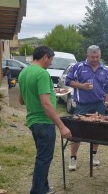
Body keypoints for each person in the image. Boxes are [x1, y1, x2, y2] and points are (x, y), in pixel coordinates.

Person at [18, 45, 72, 194]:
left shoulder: (24, 72)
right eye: (51, 59)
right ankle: (37, 191)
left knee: (43, 156)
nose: (51, 63)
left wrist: (49, 92)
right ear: (44, 57)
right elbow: (46, 104)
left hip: (32, 122)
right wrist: (62, 126)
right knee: (44, 159)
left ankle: (44, 187)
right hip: (44, 122)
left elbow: (22, 100)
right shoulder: (42, 74)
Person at [65, 45, 108, 171]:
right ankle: (73, 158)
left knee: (97, 132)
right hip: (82, 105)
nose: (95, 59)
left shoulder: (104, 69)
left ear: (100, 55)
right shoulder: (79, 66)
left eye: (97, 57)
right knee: (76, 132)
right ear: (87, 56)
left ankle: (94, 155)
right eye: (92, 57)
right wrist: (81, 86)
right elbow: (68, 81)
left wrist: (106, 102)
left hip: (99, 105)